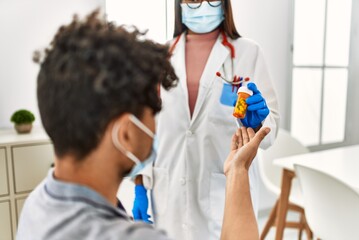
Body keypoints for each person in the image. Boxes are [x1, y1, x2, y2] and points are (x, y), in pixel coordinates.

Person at [16, 10, 270, 240]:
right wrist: (237, 172)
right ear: (125, 134)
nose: (156, 123)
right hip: (178, 192)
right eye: (153, 108)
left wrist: (258, 123)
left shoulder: (37, 203)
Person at [132, 0, 280, 239]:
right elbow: (148, 128)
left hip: (224, 190)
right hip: (169, 192)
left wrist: (259, 123)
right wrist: (140, 182)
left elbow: (271, 128)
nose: (201, 4)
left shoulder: (248, 52)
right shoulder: (161, 56)